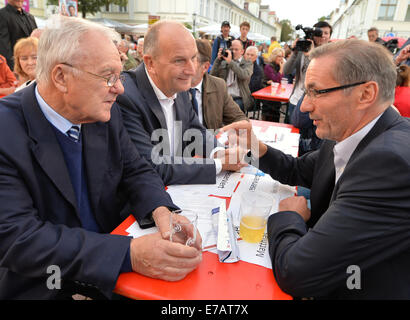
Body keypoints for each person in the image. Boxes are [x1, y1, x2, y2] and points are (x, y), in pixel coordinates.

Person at [0, 16, 202, 300]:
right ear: (61, 77)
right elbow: (18, 238)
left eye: (120, 75)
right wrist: (127, 254)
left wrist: (161, 210)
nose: (119, 88)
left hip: (112, 275)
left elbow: (137, 170)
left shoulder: (102, 112)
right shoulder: (6, 129)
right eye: (108, 76)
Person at [221, 39, 410, 299]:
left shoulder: (389, 163)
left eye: (316, 92)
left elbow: (296, 272)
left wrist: (290, 217)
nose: (305, 106)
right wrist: (257, 147)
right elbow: (300, 170)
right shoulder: (350, 132)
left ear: (366, 94)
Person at [115, 21, 244, 186]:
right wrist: (219, 165)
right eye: (179, 61)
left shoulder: (177, 85)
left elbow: (194, 129)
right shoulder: (125, 96)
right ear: (150, 63)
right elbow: (153, 165)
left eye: (193, 58)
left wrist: (219, 152)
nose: (191, 70)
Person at [190, 39, 248, 129]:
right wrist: (218, 60)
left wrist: (223, 132)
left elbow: (240, 119)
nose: (184, 67)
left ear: (205, 66)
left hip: (240, 97)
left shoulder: (219, 86)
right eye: (180, 60)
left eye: (191, 61)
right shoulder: (173, 89)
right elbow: (212, 73)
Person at [284, 21, 332, 123]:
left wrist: (311, 55)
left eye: (326, 33)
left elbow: (318, 77)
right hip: (295, 101)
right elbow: (286, 70)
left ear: (330, 36)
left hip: (314, 105)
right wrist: (294, 51)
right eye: (319, 32)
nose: (322, 36)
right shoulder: (303, 49)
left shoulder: (330, 55)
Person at [210, 39, 253, 112]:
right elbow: (212, 76)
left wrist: (231, 62)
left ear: (242, 51)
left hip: (239, 97)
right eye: (232, 49)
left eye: (236, 49)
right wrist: (218, 59)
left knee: (231, 109)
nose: (233, 52)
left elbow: (244, 75)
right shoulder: (224, 62)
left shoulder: (247, 63)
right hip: (224, 96)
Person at [0, 0, 37, 70]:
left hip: (34, 68)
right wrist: (14, 69)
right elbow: (4, 47)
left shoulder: (30, 17)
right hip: (16, 69)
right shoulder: (2, 15)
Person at [261, 47, 285, 122]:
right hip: (267, 96)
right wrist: (281, 69)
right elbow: (277, 80)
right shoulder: (269, 66)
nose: (281, 58)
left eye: (282, 56)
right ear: (274, 56)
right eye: (279, 56)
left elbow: (279, 81)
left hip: (275, 94)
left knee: (276, 111)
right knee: (271, 115)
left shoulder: (278, 66)